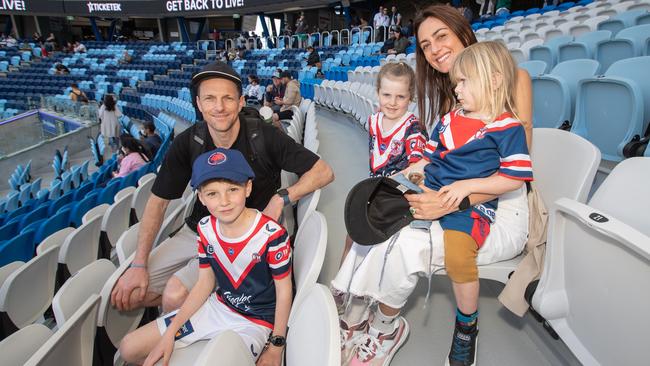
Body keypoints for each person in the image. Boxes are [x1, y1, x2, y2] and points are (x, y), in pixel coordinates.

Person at [333, 5, 534, 366]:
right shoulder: (453, 100)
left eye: (441, 36)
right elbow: (436, 159)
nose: (434, 48)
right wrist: (413, 180)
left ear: (461, 30)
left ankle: (402, 327)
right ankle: (357, 309)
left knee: (406, 241)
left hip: (497, 204)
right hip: (450, 191)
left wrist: (453, 201)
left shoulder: (510, 82)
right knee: (377, 216)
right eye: (425, 44)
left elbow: (513, 170)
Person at [109, 61, 333, 315]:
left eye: (227, 98)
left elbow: (323, 171)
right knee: (128, 293)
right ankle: (209, 304)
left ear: (240, 103)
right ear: (199, 104)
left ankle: (197, 320)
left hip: (241, 239)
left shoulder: (262, 136)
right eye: (210, 99)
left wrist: (281, 198)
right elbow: (157, 202)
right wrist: (139, 265)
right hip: (196, 231)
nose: (219, 107)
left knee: (176, 293)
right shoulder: (189, 141)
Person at [119, 148, 292, 366]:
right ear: (200, 197)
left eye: (232, 189)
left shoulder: (273, 235)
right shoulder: (205, 228)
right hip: (217, 308)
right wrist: (171, 332)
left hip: (256, 323)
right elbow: (204, 283)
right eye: (212, 193)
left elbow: (284, 291)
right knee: (129, 348)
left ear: (248, 188)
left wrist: (277, 346)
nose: (224, 201)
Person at [99, 94, 122, 159]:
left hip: (106, 123)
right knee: (116, 135)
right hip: (114, 123)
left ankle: (113, 149)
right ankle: (117, 148)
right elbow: (119, 115)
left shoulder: (103, 106)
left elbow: (100, 115)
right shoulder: (114, 106)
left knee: (110, 136)